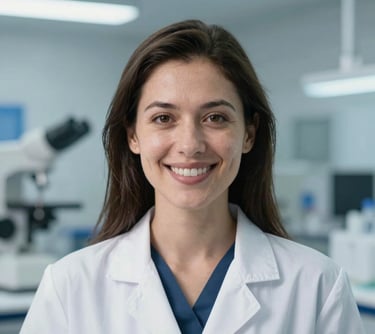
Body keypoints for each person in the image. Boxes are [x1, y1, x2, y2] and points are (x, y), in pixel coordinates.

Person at [20, 20, 364, 334]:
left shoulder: (317, 286)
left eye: (215, 117)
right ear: (132, 135)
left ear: (249, 134)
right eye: (163, 118)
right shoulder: (70, 287)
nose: (190, 145)